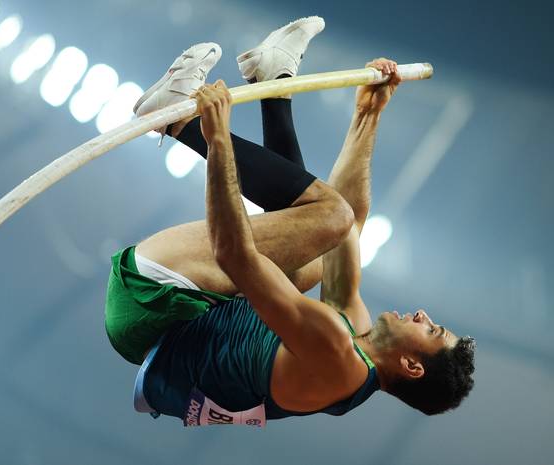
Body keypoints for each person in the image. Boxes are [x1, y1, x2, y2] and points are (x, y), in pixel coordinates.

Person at [105, 17, 475, 427]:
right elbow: (350, 226)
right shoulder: (352, 337)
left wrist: (215, 138)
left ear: (411, 366)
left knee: (330, 217)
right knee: (318, 254)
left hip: (152, 297)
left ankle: (174, 119)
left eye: (434, 331)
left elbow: (235, 255)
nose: (424, 315)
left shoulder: (337, 360)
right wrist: (368, 114)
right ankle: (272, 77)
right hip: (174, 319)